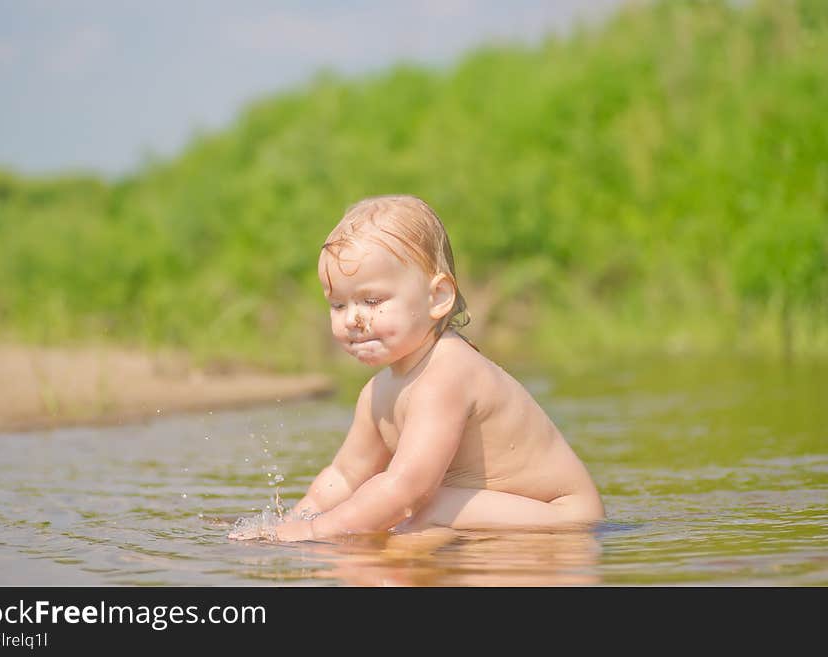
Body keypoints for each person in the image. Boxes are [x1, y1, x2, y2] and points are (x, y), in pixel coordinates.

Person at [229, 195, 604, 543]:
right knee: (393, 522)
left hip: (565, 518)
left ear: (438, 298)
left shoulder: (446, 374)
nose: (354, 319)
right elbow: (343, 477)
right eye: (338, 305)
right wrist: (288, 524)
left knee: (420, 510)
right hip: (498, 514)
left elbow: (408, 489)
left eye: (372, 300)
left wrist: (316, 533)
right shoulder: (377, 393)